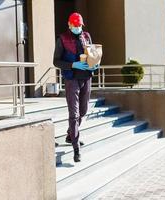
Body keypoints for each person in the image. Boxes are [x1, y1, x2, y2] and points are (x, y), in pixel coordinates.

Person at [53, 12, 98, 162]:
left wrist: (95, 63)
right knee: (74, 114)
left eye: (80, 25)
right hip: (72, 80)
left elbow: (93, 54)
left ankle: (70, 135)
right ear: (69, 25)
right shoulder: (62, 39)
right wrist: (73, 64)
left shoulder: (86, 36)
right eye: (76, 25)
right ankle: (76, 148)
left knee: (83, 111)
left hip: (86, 78)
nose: (78, 28)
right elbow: (56, 61)